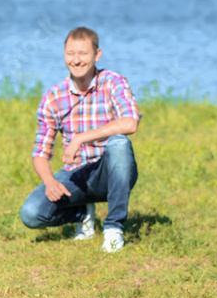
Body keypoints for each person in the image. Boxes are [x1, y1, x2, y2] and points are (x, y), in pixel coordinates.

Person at [19, 27, 140, 253]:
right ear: (64, 55)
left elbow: (130, 123)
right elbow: (40, 153)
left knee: (119, 144)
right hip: (76, 174)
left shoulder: (114, 83)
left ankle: (113, 230)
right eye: (70, 54)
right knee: (31, 214)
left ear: (97, 54)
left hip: (111, 171)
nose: (76, 60)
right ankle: (82, 213)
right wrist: (49, 182)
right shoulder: (53, 97)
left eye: (83, 54)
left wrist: (80, 139)